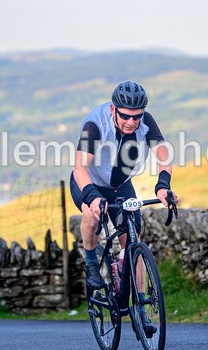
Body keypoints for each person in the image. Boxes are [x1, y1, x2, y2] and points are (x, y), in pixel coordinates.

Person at [70, 80, 177, 336]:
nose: (131, 122)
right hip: (90, 182)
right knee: (91, 214)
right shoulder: (94, 124)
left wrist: (163, 185)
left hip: (120, 185)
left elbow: (164, 158)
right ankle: (91, 260)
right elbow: (79, 168)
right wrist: (92, 197)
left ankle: (140, 308)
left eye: (136, 117)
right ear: (113, 109)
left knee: (133, 242)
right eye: (126, 116)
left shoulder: (146, 122)